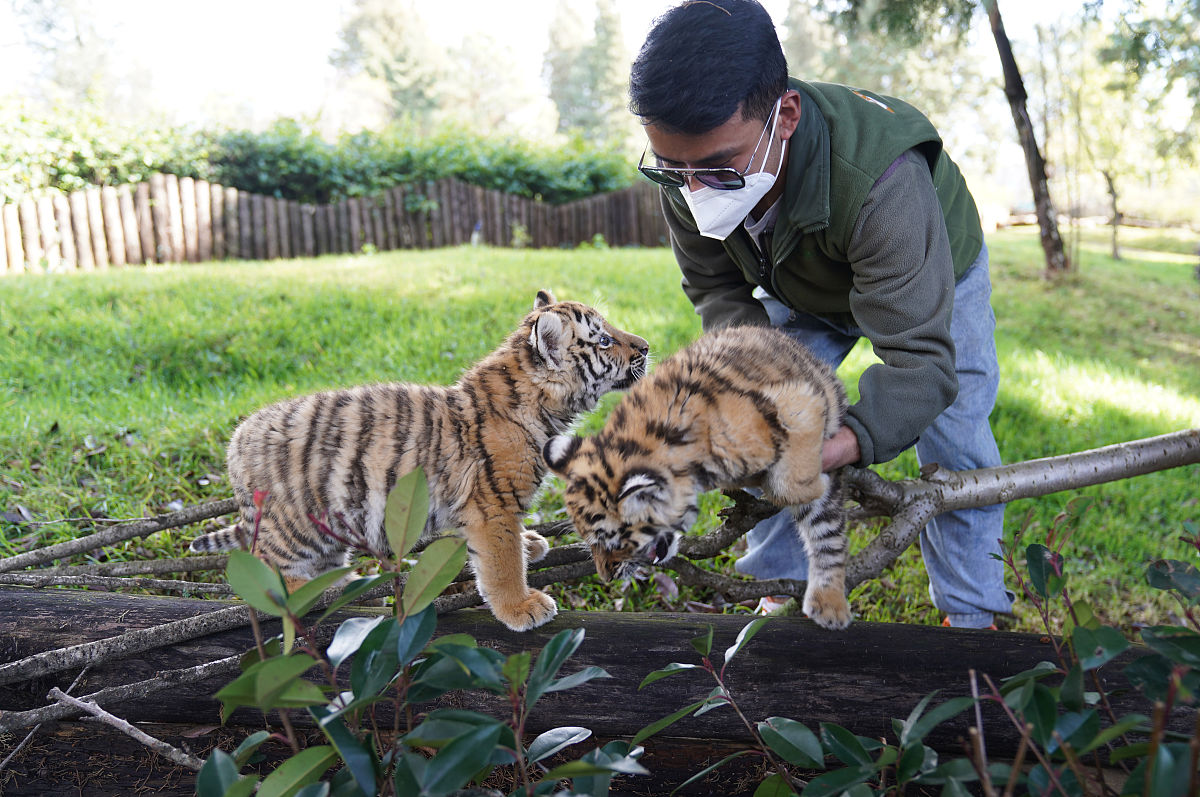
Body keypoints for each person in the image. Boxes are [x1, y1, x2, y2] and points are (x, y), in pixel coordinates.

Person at [628, 0, 1012, 628]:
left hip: (926, 272)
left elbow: (921, 366)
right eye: (674, 169)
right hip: (802, 280)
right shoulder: (689, 169)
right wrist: (753, 400)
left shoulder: (883, 183)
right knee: (755, 418)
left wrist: (832, 447)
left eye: (719, 169)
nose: (695, 191)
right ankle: (779, 590)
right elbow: (717, 290)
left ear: (784, 116)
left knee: (957, 436)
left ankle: (972, 622)